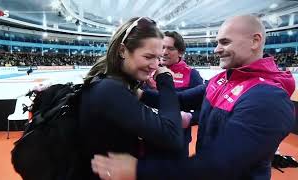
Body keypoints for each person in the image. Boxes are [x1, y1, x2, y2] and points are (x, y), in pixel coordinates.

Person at [91, 15, 296, 180]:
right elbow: (183, 100)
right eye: (217, 42)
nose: (216, 50)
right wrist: (142, 94)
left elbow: (218, 164)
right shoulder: (221, 80)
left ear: (255, 41)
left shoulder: (268, 98)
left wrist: (138, 170)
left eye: (225, 42)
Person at [78, 17, 185, 179]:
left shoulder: (107, 82)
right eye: (148, 57)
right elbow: (173, 137)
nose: (156, 65)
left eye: (158, 58)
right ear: (122, 51)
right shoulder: (110, 90)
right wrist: (165, 81)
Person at [145, 31, 203, 156]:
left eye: (170, 48)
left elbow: (203, 110)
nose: (164, 52)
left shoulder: (192, 75)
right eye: (162, 47)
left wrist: (190, 118)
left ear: (181, 52)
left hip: (176, 144)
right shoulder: (147, 70)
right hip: (148, 139)